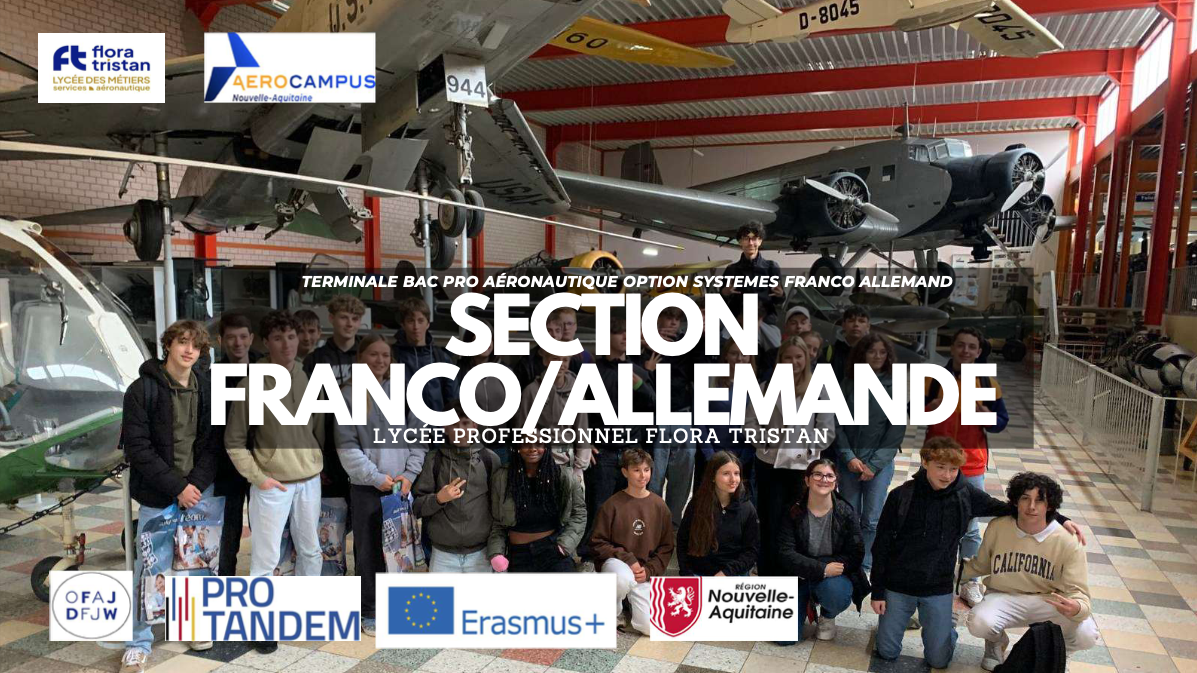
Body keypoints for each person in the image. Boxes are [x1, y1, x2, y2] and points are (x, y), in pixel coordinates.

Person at [871, 438, 1086, 669]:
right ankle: (896, 623)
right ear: (925, 462)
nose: (947, 475)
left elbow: (1010, 509)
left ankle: (946, 627)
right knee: (886, 652)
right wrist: (878, 591)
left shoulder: (965, 494)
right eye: (940, 467)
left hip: (937, 586)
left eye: (953, 469)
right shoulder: (901, 496)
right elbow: (881, 545)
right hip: (898, 585)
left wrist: (1058, 517)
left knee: (939, 660)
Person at [120, 320, 219, 673]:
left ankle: (192, 625)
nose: (189, 350)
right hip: (159, 494)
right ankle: (138, 643)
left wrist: (194, 485)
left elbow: (214, 444)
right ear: (168, 345)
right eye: (182, 342)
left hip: (198, 492)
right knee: (151, 568)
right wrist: (177, 487)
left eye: (196, 345)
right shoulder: (141, 390)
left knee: (196, 565)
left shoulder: (207, 388)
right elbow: (138, 448)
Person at [224, 311, 325, 655]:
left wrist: (316, 462)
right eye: (278, 338)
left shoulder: (306, 376)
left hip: (309, 479)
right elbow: (234, 440)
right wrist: (259, 478)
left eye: (292, 337)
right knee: (266, 559)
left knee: (311, 550)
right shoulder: (251, 384)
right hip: (273, 484)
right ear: (266, 342)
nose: (287, 344)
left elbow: (314, 428)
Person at [335, 333, 427, 636]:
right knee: (369, 552)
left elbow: (418, 437)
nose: (380, 360)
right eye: (373, 354)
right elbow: (347, 446)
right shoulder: (348, 395)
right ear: (360, 358)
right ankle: (370, 609)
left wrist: (409, 475)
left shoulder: (403, 392)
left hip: (401, 487)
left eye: (385, 355)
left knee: (400, 549)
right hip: (367, 488)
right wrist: (375, 477)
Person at [962, 472, 1099, 670]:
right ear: (1016, 501)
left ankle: (1058, 652)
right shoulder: (998, 527)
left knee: (1087, 633)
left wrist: (1078, 608)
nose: (1032, 506)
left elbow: (1079, 592)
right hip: (1004, 596)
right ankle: (996, 642)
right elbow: (980, 565)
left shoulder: (1067, 539)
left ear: (1049, 506)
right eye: (1025, 498)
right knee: (978, 622)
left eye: (1039, 500)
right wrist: (946, 573)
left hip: (1049, 600)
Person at [925, 327, 1009, 607]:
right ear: (952, 347)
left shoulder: (986, 382)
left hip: (971, 464)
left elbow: (1000, 422)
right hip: (937, 461)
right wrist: (932, 406)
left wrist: (987, 415)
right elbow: (911, 410)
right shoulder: (935, 379)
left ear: (979, 350)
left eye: (971, 346)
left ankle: (968, 580)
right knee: (931, 521)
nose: (965, 351)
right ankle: (932, 574)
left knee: (971, 527)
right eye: (960, 345)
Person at [751, 337, 835, 575]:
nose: (793, 362)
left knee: (798, 521)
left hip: (803, 467)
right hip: (770, 464)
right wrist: (766, 442)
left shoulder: (819, 389)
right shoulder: (766, 387)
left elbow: (827, 430)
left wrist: (804, 446)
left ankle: (794, 573)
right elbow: (750, 423)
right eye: (787, 357)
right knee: (771, 520)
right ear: (780, 360)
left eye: (798, 357)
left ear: (806, 358)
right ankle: (768, 573)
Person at [776, 460, 870, 644]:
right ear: (807, 480)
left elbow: (856, 554)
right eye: (817, 474)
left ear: (835, 482)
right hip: (798, 576)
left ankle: (827, 614)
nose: (823, 479)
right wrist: (822, 568)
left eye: (829, 476)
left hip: (832, 579)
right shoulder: (793, 511)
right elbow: (785, 552)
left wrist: (826, 571)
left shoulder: (845, 512)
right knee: (784, 640)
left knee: (835, 593)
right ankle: (804, 603)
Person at [835, 333, 904, 572]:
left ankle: (865, 564)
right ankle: (850, 560)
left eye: (882, 352)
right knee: (849, 515)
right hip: (849, 462)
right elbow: (837, 424)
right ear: (862, 354)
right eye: (872, 351)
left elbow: (895, 431)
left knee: (872, 518)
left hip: (879, 464)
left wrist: (874, 465)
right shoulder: (848, 383)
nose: (877, 356)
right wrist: (849, 457)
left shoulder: (894, 386)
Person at [584, 312, 652, 551]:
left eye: (628, 333)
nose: (625, 337)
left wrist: (639, 385)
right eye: (618, 332)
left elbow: (655, 407)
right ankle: (591, 555)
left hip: (632, 451)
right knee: (599, 507)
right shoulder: (593, 371)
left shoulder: (640, 372)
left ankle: (629, 551)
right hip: (603, 450)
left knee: (631, 506)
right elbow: (581, 411)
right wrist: (585, 440)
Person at [590, 449, 675, 635]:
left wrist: (649, 570)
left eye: (646, 470)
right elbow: (597, 542)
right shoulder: (612, 504)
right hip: (618, 564)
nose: (643, 475)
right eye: (636, 470)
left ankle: (630, 602)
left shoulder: (660, 506)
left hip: (643, 571)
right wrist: (628, 559)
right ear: (625, 472)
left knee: (650, 628)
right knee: (622, 579)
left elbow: (667, 547)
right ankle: (613, 611)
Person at [304, 295, 367, 541]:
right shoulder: (316, 359)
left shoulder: (369, 354)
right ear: (331, 318)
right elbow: (308, 412)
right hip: (329, 450)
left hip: (364, 449)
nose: (349, 323)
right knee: (331, 524)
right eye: (343, 317)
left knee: (364, 522)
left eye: (355, 318)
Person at [412, 405, 500, 573]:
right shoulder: (433, 460)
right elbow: (416, 507)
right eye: (454, 424)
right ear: (445, 428)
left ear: (474, 426)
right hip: (442, 555)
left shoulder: (490, 460)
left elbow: (499, 510)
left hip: (481, 554)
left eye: (465, 423)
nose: (460, 429)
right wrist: (438, 499)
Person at [488, 443, 587, 573]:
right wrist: (496, 552)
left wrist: (564, 546)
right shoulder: (502, 478)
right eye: (526, 444)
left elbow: (579, 514)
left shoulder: (564, 476)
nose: (533, 449)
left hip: (554, 550)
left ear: (546, 447)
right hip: (519, 555)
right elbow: (497, 522)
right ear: (518, 447)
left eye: (538, 444)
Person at [638, 306, 695, 528]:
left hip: (681, 412)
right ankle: (652, 522)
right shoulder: (641, 345)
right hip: (655, 415)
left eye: (677, 319)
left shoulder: (687, 345)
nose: (673, 322)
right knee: (654, 474)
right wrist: (643, 345)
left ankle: (673, 524)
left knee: (683, 472)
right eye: (669, 317)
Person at [212, 312, 255, 577]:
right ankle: (225, 583)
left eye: (243, 336)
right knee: (227, 533)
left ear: (251, 338)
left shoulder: (266, 371)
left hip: (262, 466)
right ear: (220, 340)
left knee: (266, 532)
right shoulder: (213, 376)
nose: (238, 343)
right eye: (231, 337)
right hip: (226, 467)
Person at [515, 350, 593, 483]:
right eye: (555, 359)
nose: (560, 364)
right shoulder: (532, 391)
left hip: (569, 462)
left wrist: (579, 467)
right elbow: (522, 429)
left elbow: (582, 429)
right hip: (540, 462)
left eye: (565, 360)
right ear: (546, 361)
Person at [676, 451, 759, 577]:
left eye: (736, 473)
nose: (733, 479)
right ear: (713, 476)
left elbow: (751, 551)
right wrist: (687, 574)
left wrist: (726, 573)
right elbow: (682, 541)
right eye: (726, 474)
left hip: (733, 574)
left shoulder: (747, 508)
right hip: (697, 574)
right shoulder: (697, 504)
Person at [392, 297, 458, 412]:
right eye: (410, 321)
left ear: (428, 323)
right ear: (403, 324)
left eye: (420, 321)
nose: (416, 327)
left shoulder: (441, 358)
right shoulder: (393, 356)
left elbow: (453, 400)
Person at [721, 221, 784, 323]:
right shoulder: (732, 269)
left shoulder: (772, 267)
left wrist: (780, 295)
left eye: (754, 238)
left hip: (765, 321)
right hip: (738, 321)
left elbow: (779, 301)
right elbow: (722, 299)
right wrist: (725, 292)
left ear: (760, 241)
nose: (750, 243)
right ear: (740, 242)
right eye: (746, 238)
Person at [830, 305, 870, 379]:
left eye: (861, 321)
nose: (856, 324)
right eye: (851, 321)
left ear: (868, 326)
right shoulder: (830, 352)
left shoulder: (876, 352)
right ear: (843, 325)